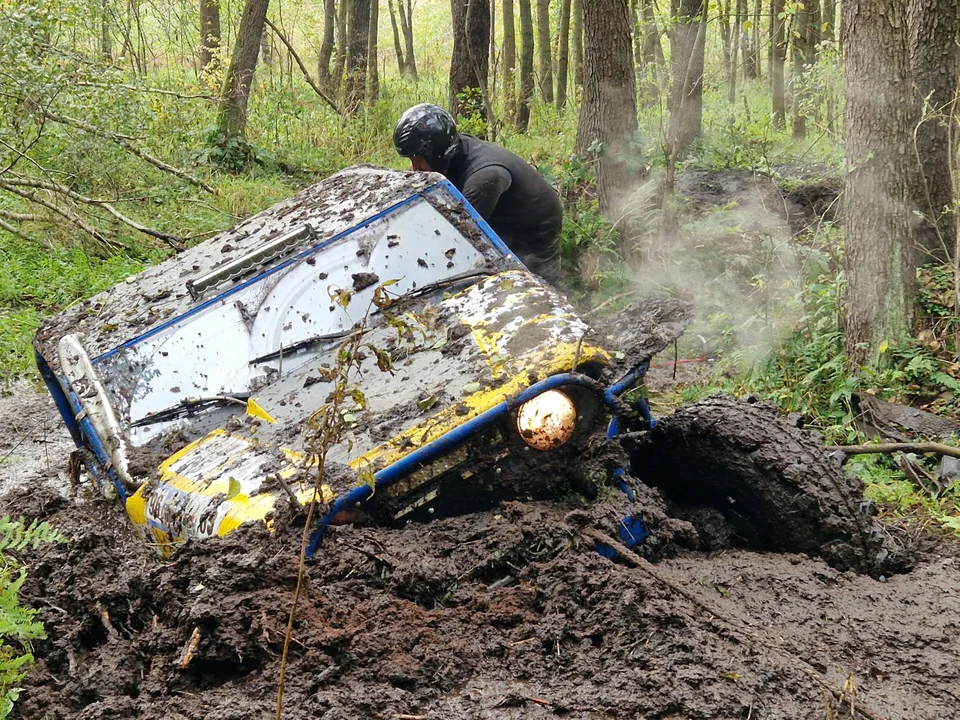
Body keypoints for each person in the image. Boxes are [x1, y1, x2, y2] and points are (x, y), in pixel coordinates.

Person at [393, 103, 563, 284]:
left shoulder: (484, 179)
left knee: (534, 290)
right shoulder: (455, 151)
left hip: (534, 231)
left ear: (435, 153)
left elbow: (457, 240)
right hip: (502, 214)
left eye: (417, 160)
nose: (414, 169)